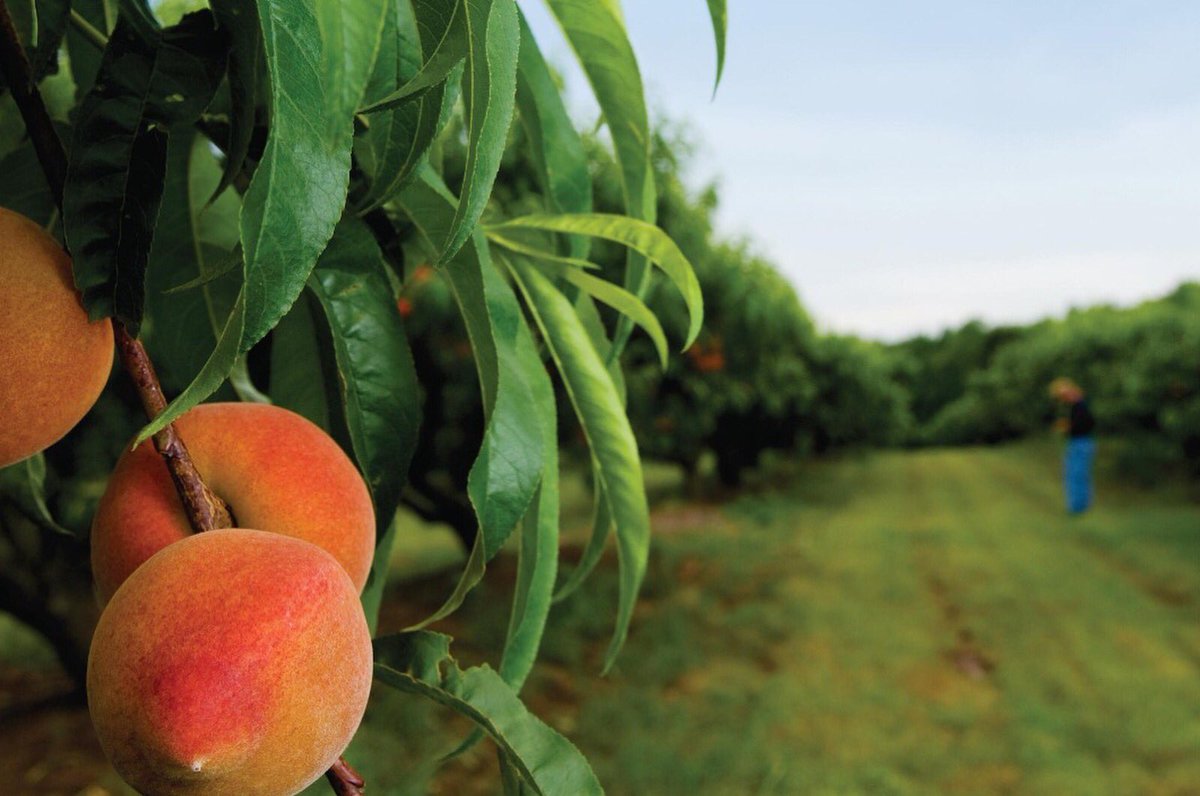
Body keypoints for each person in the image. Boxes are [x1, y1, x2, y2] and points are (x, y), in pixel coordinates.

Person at [1049, 377, 1096, 514]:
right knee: (1077, 474)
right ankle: (1079, 506)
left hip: (1081, 442)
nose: (1063, 399)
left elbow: (1086, 425)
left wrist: (1067, 428)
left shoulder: (1080, 406)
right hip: (1079, 442)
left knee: (1076, 474)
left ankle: (1077, 507)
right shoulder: (1078, 405)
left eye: (1063, 395)